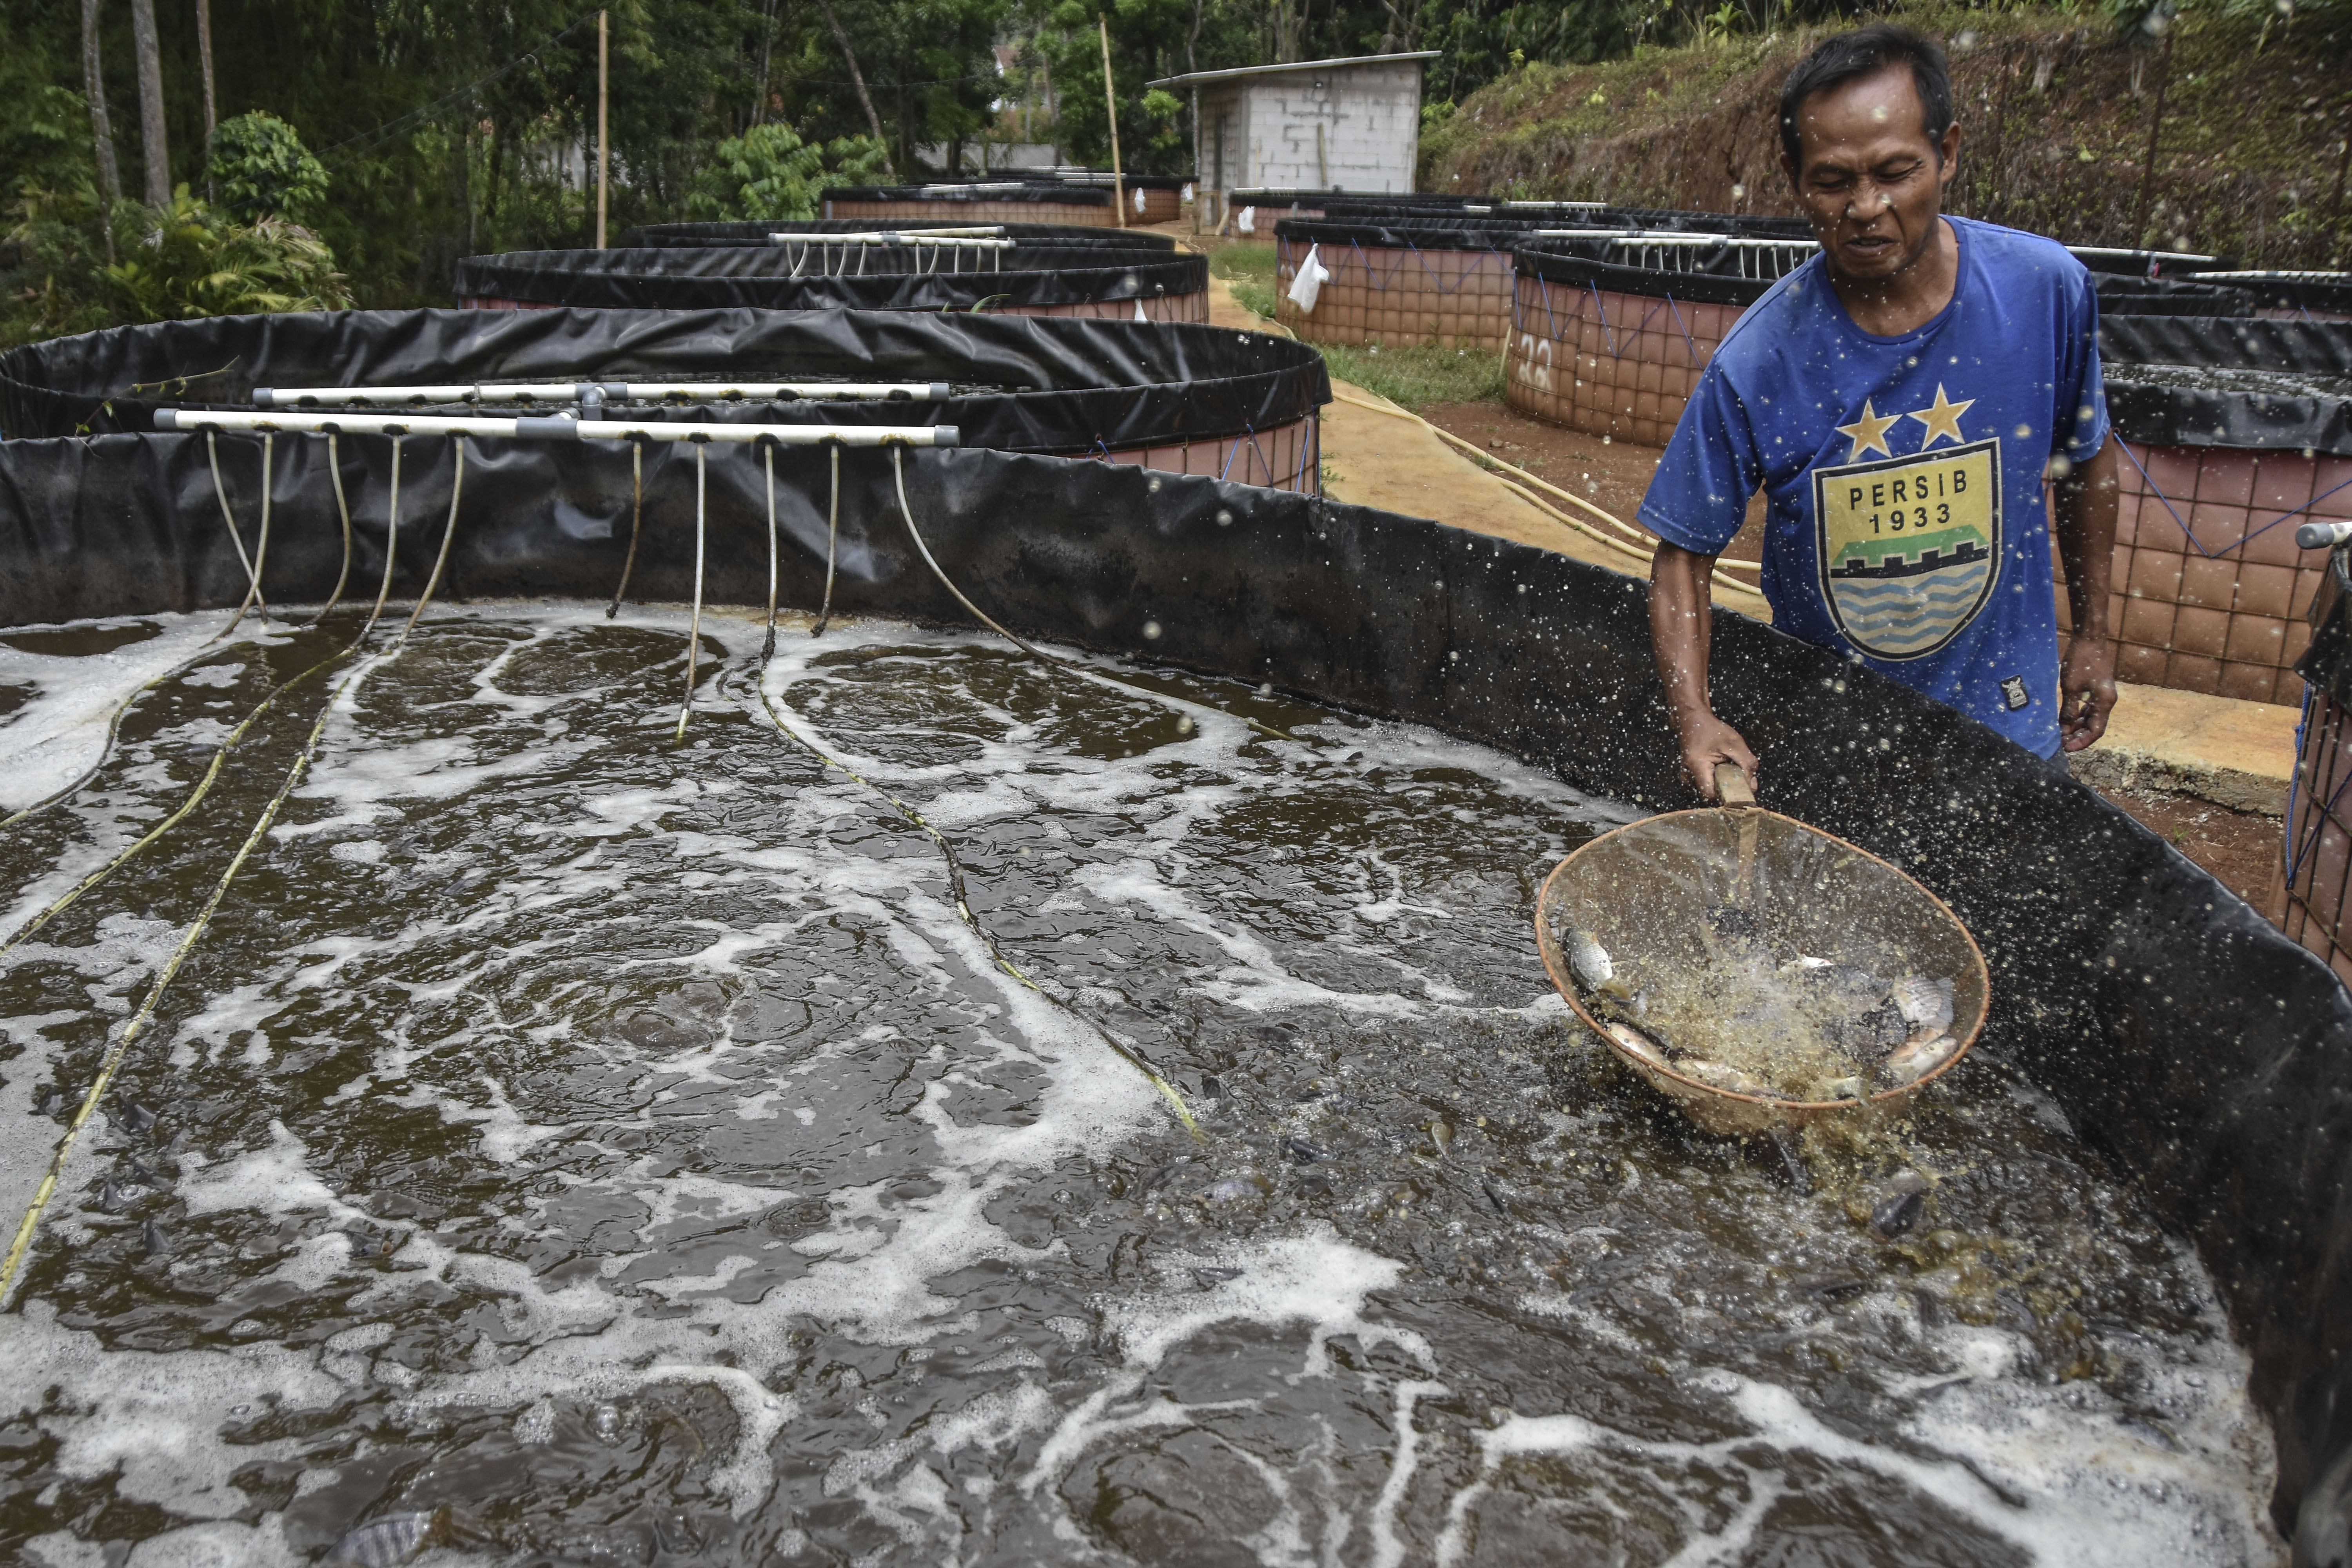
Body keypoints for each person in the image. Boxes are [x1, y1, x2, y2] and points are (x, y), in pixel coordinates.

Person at [1639, 22, 2118, 799]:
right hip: (1836, 750)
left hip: (2010, 736)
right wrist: (1694, 715)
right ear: (1795, 180)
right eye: (1833, 181)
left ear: (1947, 153)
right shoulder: (1760, 360)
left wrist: (2095, 634)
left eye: (1897, 172)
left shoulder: (2044, 292)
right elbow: (1682, 557)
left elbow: (2087, 457)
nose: (1867, 207)